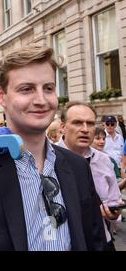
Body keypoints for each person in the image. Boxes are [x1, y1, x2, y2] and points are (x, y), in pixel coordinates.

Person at [0, 45, 106, 251]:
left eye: (49, 88)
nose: (41, 100)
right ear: (2, 96)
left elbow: (95, 241)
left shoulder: (77, 167)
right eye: (27, 89)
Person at [57, 101, 122, 250]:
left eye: (90, 124)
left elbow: (114, 199)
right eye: (78, 123)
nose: (85, 129)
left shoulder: (104, 160)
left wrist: (113, 212)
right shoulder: (47, 157)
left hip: (101, 241)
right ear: (62, 127)